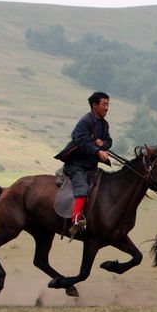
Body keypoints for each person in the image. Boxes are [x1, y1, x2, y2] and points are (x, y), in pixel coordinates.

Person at [54, 91, 113, 236]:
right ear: (94, 105)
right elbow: (79, 139)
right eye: (104, 104)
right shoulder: (85, 121)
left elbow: (109, 142)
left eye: (108, 105)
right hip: (76, 165)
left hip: (92, 166)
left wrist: (103, 143)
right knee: (82, 188)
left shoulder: (104, 124)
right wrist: (97, 151)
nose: (106, 108)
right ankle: (76, 220)